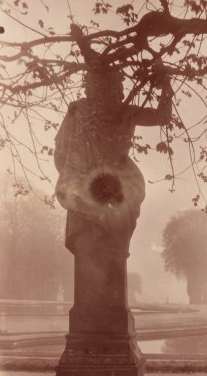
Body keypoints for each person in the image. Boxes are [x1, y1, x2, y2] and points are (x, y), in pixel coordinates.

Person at [54, 60, 173, 262]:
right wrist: (165, 84)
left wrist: (75, 174)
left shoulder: (115, 111)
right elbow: (163, 115)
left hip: (96, 188)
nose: (119, 90)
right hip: (107, 188)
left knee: (102, 244)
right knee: (103, 244)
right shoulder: (105, 111)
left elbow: (61, 153)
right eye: (116, 84)